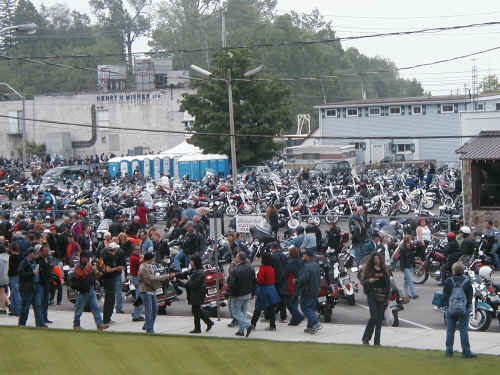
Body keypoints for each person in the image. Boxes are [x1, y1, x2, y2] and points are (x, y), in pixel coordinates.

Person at [442, 261, 476, 358]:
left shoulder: (449, 281)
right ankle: (466, 351)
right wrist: (468, 307)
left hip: (451, 308)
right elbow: (470, 296)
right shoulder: (467, 282)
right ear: (463, 271)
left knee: (450, 331)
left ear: (453, 270)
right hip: (463, 309)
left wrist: (446, 306)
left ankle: (449, 351)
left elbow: (445, 295)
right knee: (463, 331)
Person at [178, 255, 214, 334]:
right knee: (196, 310)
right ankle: (208, 322)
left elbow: (195, 283)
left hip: (198, 293)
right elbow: (185, 273)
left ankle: (198, 328)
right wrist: (175, 275)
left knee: (195, 310)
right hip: (194, 292)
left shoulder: (200, 272)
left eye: (192, 261)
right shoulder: (194, 270)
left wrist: (187, 282)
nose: (190, 262)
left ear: (195, 262)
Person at [72, 252, 108, 331]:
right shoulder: (78, 266)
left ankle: (99, 324)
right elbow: (81, 274)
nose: (87, 259)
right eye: (85, 257)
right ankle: (76, 325)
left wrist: (102, 270)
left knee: (95, 307)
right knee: (79, 309)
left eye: (87, 258)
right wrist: (89, 268)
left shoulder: (90, 266)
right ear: (81, 258)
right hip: (83, 290)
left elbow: (97, 275)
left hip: (91, 289)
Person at [361, 253, 391, 346]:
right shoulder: (369, 270)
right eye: (375, 258)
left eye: (378, 258)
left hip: (382, 296)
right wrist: (369, 281)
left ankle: (377, 342)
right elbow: (364, 282)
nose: (377, 260)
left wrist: (388, 298)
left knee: (379, 320)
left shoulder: (384, 270)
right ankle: (366, 338)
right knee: (374, 317)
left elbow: (388, 285)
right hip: (372, 296)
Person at [138, 252, 170, 334]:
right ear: (150, 259)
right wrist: (163, 277)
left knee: (154, 309)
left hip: (151, 290)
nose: (154, 259)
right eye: (153, 258)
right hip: (145, 291)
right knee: (149, 311)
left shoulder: (149, 266)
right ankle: (149, 329)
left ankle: (147, 324)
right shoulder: (143, 268)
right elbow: (150, 278)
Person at [248, 253, 280, 334]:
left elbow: (260, 280)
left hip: (264, 289)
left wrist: (255, 280)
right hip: (271, 289)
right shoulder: (271, 268)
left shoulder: (263, 268)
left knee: (258, 308)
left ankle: (253, 324)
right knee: (271, 308)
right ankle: (272, 325)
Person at [227, 251, 256, 337]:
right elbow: (254, 281)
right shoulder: (251, 268)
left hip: (237, 294)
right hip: (247, 293)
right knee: (243, 313)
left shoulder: (235, 270)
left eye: (236, 257)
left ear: (239, 258)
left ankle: (248, 325)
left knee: (235, 313)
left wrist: (227, 293)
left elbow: (232, 284)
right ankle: (241, 330)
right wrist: (253, 293)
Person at [296, 248, 322, 334]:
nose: (302, 256)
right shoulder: (316, 265)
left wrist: (296, 281)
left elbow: (304, 279)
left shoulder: (306, 266)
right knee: (311, 307)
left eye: (304, 255)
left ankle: (316, 322)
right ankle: (310, 327)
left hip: (307, 290)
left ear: (307, 256)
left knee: (305, 307)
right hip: (315, 289)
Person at [18, 248, 45, 327]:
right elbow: (21, 273)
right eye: (34, 253)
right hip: (27, 288)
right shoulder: (24, 263)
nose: (35, 255)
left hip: (36, 286)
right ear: (30, 254)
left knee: (38, 306)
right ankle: (22, 323)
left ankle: (40, 324)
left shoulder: (34, 261)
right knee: (25, 307)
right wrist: (32, 273)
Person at [101, 244, 124, 325]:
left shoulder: (107, 255)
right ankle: (106, 319)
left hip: (109, 279)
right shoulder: (109, 257)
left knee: (110, 299)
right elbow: (108, 270)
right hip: (109, 280)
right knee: (109, 300)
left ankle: (107, 318)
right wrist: (118, 268)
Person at [284, 246, 304, 326]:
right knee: (294, 301)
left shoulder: (291, 262)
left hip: (291, 283)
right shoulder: (300, 261)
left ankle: (298, 316)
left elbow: (286, 272)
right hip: (298, 282)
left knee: (289, 302)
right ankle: (294, 320)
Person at [400, 235, 418, 302]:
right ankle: (413, 294)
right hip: (406, 266)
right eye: (410, 239)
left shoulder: (410, 247)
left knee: (406, 281)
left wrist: (411, 247)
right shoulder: (403, 248)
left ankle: (405, 295)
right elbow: (401, 259)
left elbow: (413, 254)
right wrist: (402, 268)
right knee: (410, 280)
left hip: (410, 265)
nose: (411, 240)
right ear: (407, 240)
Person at [129, 245, 144, 322]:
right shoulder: (134, 258)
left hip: (135, 278)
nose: (138, 251)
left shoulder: (135, 257)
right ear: (133, 250)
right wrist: (142, 259)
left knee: (139, 297)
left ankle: (136, 313)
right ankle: (136, 315)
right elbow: (141, 265)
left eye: (139, 249)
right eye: (137, 249)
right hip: (137, 278)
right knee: (140, 297)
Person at [8, 242, 22, 316]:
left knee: (15, 293)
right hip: (18, 275)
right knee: (15, 292)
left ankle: (17, 310)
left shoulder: (11, 257)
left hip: (12, 275)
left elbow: (10, 267)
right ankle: (15, 310)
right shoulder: (21, 256)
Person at [0, 245, 10, 314]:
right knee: (2, 292)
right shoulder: (8, 257)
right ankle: (8, 304)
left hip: (0, 276)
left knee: (2, 292)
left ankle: (3, 307)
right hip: (6, 277)